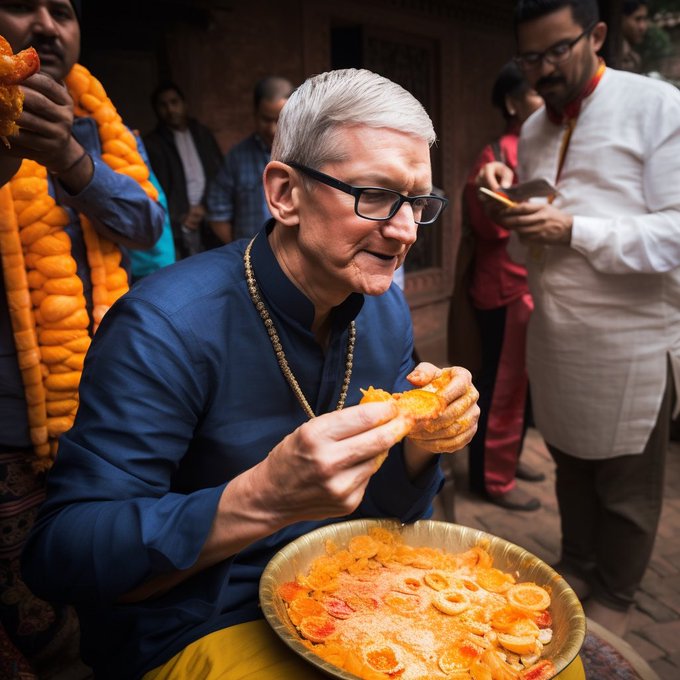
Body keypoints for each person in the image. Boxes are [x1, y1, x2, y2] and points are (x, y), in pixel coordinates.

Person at [21, 68, 480, 680]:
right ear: (285, 192)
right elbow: (61, 556)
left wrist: (422, 446)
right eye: (375, 195)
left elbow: (388, 510)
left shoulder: (383, 309)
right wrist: (258, 500)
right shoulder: (164, 326)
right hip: (197, 619)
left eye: (418, 202)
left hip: (350, 591)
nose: (403, 232)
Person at [478, 0, 680, 636]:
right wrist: (511, 202)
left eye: (556, 50)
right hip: (557, 332)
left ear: (595, 36)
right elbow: (531, 237)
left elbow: (675, 235)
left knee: (624, 482)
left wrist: (575, 229)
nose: (542, 70)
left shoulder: (657, 107)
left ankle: (617, 594)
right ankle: (579, 564)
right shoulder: (535, 129)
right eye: (529, 57)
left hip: (631, 339)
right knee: (570, 464)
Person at [0, 0, 164, 676]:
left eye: (62, 11)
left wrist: (71, 157)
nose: (47, 28)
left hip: (108, 412)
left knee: (106, 587)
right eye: (19, 5)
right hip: (8, 433)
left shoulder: (103, 124)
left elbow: (147, 224)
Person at [457, 61, 544, 512]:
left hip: (526, 285)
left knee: (520, 384)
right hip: (503, 287)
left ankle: (507, 458)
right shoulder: (496, 153)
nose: (543, 99)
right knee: (501, 384)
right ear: (512, 103)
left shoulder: (539, 146)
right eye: (533, 92)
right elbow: (486, 227)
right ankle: (491, 478)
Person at [207, 75, 294, 244]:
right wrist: (241, 252)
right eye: (266, 119)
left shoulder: (308, 154)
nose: (272, 129)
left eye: (279, 119)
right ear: (254, 114)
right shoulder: (236, 158)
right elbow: (218, 215)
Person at [144, 81, 223, 259]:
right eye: (163, 105)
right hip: (178, 224)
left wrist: (206, 206)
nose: (170, 110)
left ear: (184, 103)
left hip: (210, 216)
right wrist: (180, 216)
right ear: (156, 110)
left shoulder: (202, 134)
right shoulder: (153, 144)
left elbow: (218, 173)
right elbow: (153, 188)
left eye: (174, 102)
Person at [620, 0, 649, 73]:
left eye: (644, 19)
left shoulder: (634, 58)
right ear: (621, 19)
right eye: (637, 19)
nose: (642, 27)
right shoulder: (618, 57)